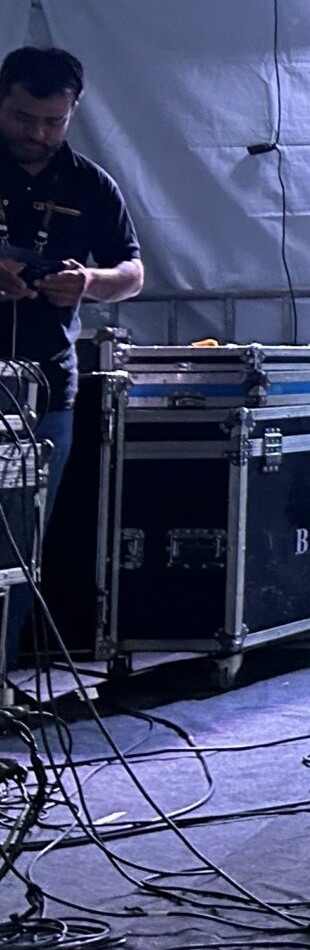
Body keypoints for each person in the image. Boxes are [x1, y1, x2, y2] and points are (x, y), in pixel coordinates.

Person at [0, 47, 144, 684]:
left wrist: (89, 281)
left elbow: (132, 273)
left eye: (52, 122)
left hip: (46, 388)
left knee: (20, 541)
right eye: (22, 117)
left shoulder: (90, 183)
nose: (36, 133)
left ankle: (3, 684)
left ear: (72, 113)